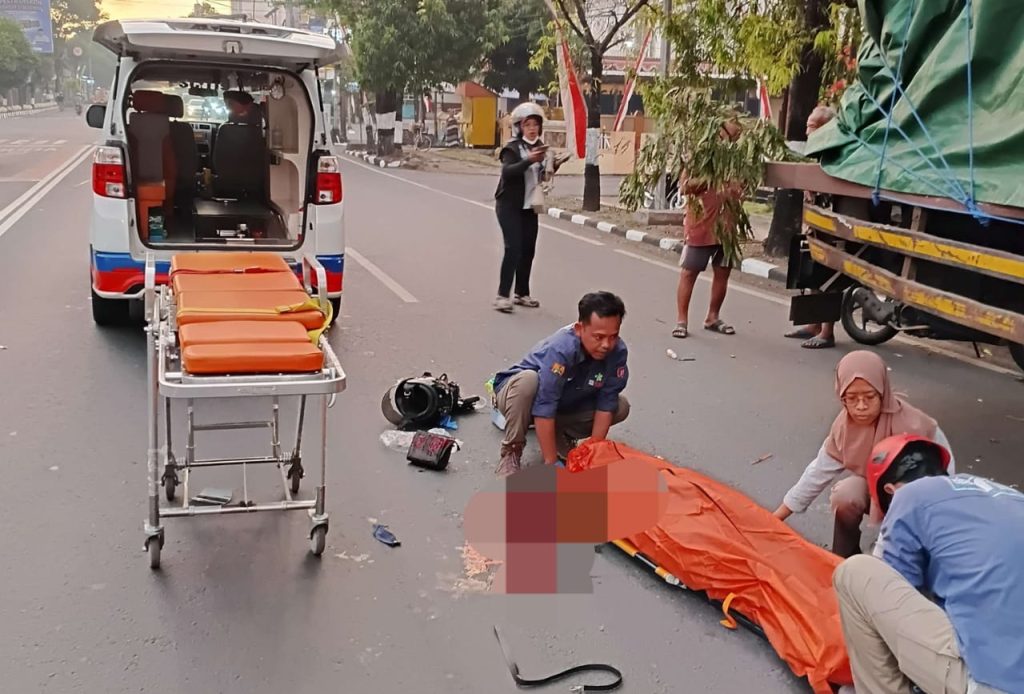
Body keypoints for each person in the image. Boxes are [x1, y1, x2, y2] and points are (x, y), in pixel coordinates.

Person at [833, 434, 1024, 694]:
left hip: (997, 683)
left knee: (856, 573)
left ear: (890, 490)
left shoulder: (911, 495)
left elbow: (894, 591)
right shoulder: (1011, 498)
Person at [772, 350, 955, 558]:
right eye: (851, 398)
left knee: (895, 561)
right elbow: (817, 472)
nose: (860, 406)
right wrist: (775, 519)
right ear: (841, 397)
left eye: (869, 397)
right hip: (880, 490)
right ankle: (843, 557)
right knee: (846, 494)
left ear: (883, 393)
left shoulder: (916, 426)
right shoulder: (843, 427)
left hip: (919, 502)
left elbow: (945, 484)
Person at [490, 291, 631, 475]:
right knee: (528, 382)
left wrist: (592, 456)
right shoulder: (562, 348)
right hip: (519, 396)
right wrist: (551, 463)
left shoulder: (617, 352)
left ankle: (563, 434)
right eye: (599, 337)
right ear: (580, 329)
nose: (606, 344)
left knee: (620, 406)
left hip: (562, 401)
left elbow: (606, 403)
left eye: (613, 336)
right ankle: (511, 450)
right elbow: (545, 404)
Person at [672, 119, 744, 339]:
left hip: (727, 227)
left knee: (723, 272)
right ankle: (681, 321)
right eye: (730, 135)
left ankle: (713, 317)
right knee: (689, 272)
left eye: (737, 136)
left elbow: (744, 187)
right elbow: (684, 187)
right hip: (700, 226)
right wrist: (709, 178)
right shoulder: (699, 158)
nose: (733, 140)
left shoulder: (738, 162)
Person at [492, 102, 563, 313]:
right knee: (513, 248)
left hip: (530, 206)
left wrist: (554, 164)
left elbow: (540, 176)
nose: (532, 128)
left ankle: (522, 293)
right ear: (519, 127)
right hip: (509, 205)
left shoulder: (541, 148)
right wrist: (528, 160)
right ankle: (502, 296)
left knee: (528, 250)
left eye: (535, 124)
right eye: (527, 124)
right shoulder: (512, 148)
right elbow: (508, 172)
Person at [785, 104, 839, 349]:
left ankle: (827, 331)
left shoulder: (835, 152)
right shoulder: (815, 152)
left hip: (833, 224)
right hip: (815, 222)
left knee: (828, 276)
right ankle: (812, 324)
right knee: (811, 272)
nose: (808, 132)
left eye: (813, 126)